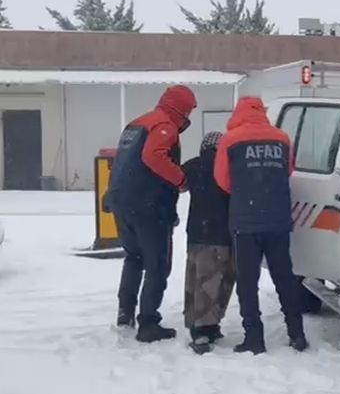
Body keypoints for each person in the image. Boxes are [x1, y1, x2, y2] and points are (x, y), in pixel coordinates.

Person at [214, 96, 308, 354]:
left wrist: (246, 190)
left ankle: (254, 338)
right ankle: (297, 333)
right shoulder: (282, 138)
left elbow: (222, 180)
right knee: (284, 277)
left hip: (246, 221)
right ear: (262, 111)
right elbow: (287, 170)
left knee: (247, 281)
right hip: (277, 219)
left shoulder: (229, 140)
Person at [105, 85, 196, 343]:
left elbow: (123, 161)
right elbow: (153, 156)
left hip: (122, 202)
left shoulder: (137, 124)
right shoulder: (164, 126)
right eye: (188, 111)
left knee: (133, 257)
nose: (188, 117)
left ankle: (125, 312)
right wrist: (180, 179)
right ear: (180, 109)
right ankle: (148, 323)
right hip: (149, 206)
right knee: (157, 264)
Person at [182, 131, 234, 355]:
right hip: (219, 231)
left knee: (194, 280)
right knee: (215, 281)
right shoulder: (227, 166)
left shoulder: (191, 166)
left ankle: (196, 323)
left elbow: (179, 185)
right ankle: (205, 330)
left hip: (195, 232)